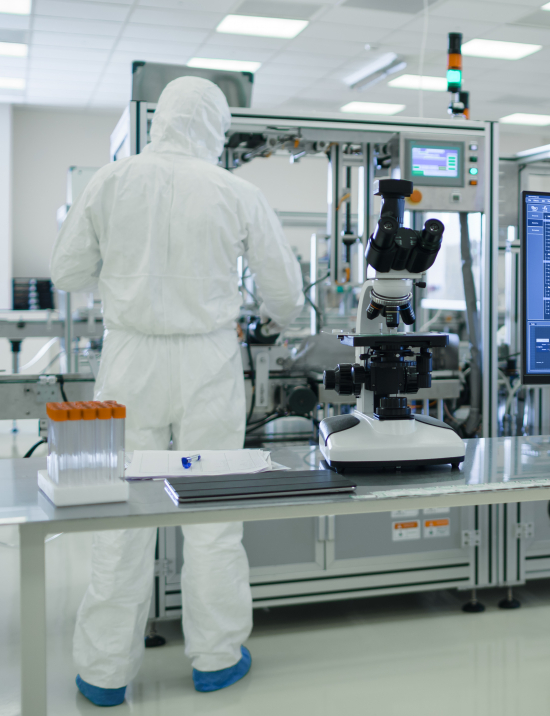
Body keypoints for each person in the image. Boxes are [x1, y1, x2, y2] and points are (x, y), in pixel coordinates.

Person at [51, 76, 304, 706]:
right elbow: (287, 297)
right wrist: (273, 316)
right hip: (208, 363)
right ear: (216, 127)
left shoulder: (111, 181)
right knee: (212, 517)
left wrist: (125, 275)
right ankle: (216, 659)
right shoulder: (235, 190)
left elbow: (67, 271)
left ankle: (104, 672)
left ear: (159, 119)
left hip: (129, 358)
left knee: (120, 515)